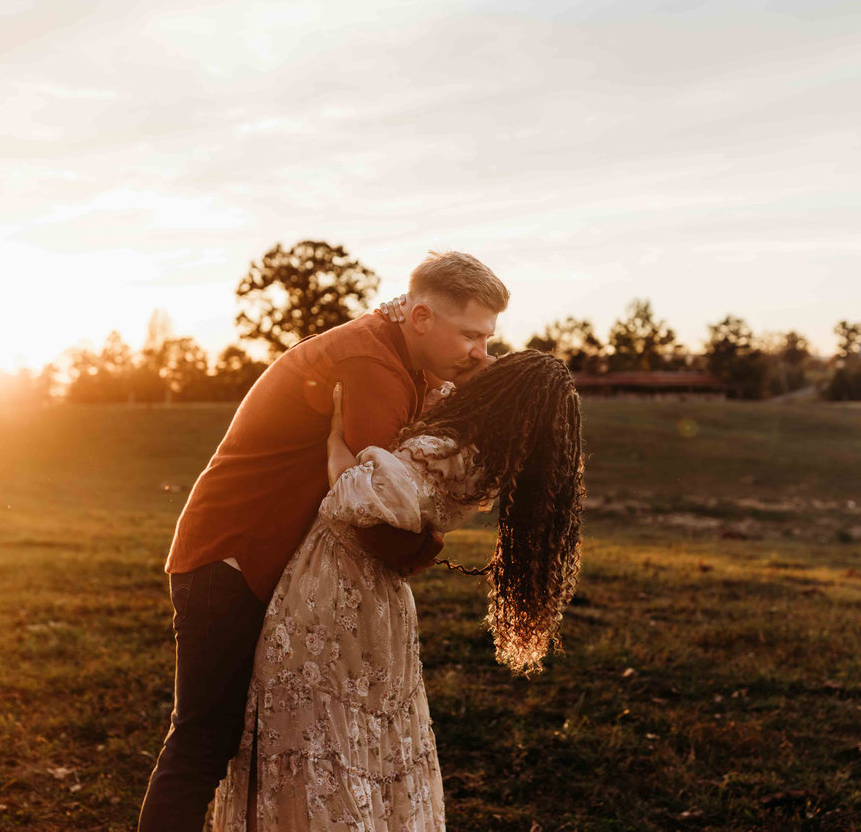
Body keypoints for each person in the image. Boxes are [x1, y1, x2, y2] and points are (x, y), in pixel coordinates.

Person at [138, 251, 509, 831]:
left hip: (258, 558)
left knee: (224, 739)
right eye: (469, 335)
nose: (480, 353)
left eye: (487, 339)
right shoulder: (372, 364)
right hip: (232, 558)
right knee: (203, 741)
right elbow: (376, 519)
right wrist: (426, 544)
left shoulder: (398, 360)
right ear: (419, 317)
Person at [210, 349, 585, 830]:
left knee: (316, 728)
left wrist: (334, 440)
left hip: (336, 586)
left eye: (499, 360)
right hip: (383, 600)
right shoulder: (487, 463)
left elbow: (354, 496)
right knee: (363, 738)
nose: (485, 358)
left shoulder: (450, 450)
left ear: (507, 391)